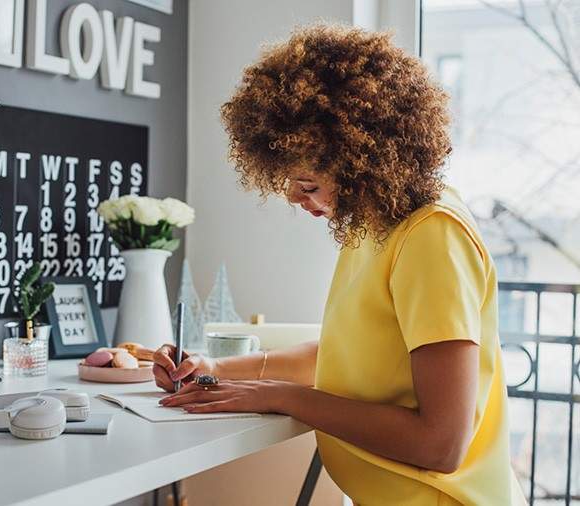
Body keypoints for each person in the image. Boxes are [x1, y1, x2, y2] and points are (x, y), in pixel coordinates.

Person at [152, 25, 525, 505]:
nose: (296, 200)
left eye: (308, 185)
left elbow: (441, 444)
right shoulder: (374, 224)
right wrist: (215, 369)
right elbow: (348, 359)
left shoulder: (431, 236)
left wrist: (284, 397)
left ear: (363, 162)